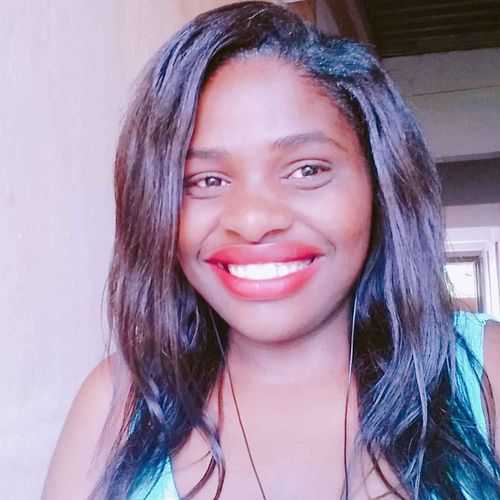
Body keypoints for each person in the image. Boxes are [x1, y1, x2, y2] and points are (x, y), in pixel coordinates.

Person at [42, 2, 500, 499]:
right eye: (205, 180)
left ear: (379, 181)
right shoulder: (116, 405)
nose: (253, 220)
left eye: (307, 170)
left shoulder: (485, 376)